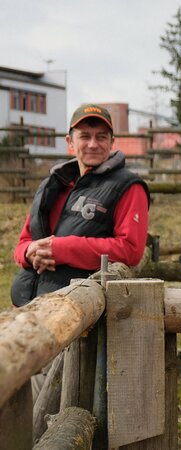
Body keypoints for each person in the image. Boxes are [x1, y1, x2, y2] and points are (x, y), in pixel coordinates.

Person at [11, 103, 150, 308]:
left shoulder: (128, 187)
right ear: (70, 142)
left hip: (76, 312)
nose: (93, 144)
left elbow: (130, 250)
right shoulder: (53, 184)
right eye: (85, 136)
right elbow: (24, 242)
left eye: (101, 137)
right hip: (26, 306)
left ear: (112, 142)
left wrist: (62, 249)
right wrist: (29, 252)